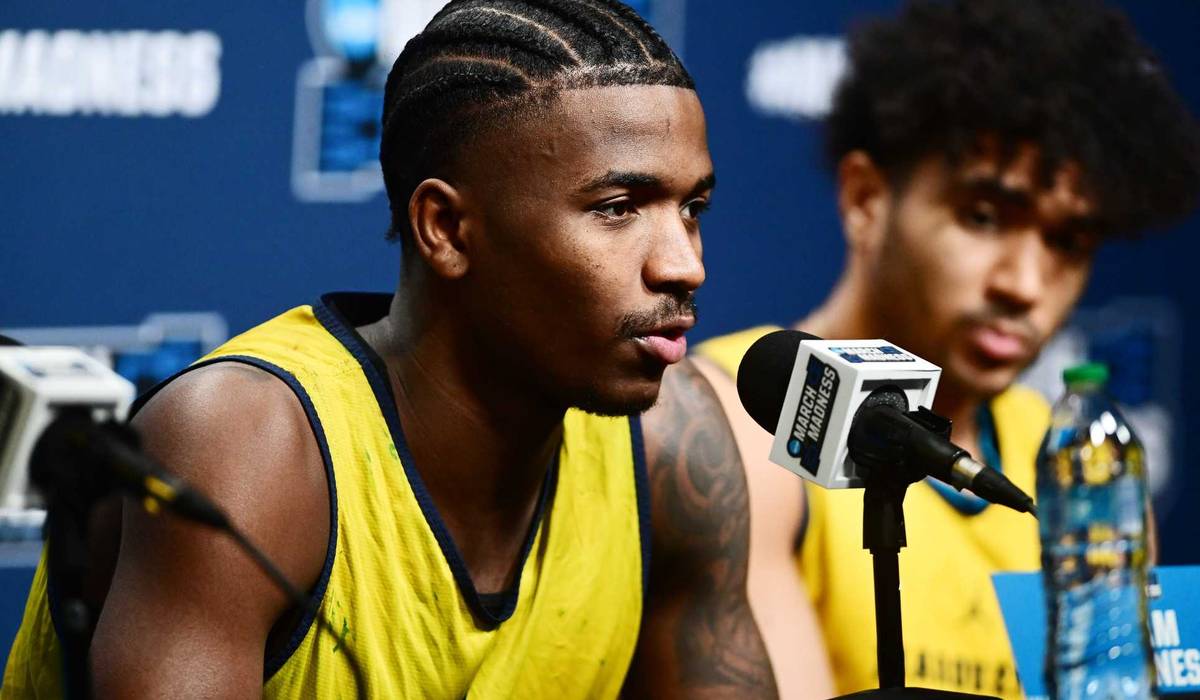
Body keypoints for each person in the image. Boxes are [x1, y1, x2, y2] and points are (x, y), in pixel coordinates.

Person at [3, 1, 778, 697]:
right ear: (444, 228)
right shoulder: (247, 444)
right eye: (617, 208)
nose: (683, 263)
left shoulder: (674, 448)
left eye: (693, 207)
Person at [691, 1, 1200, 698]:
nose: (1023, 285)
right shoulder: (739, 428)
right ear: (866, 199)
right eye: (983, 216)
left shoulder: (1076, 466)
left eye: (1067, 242)